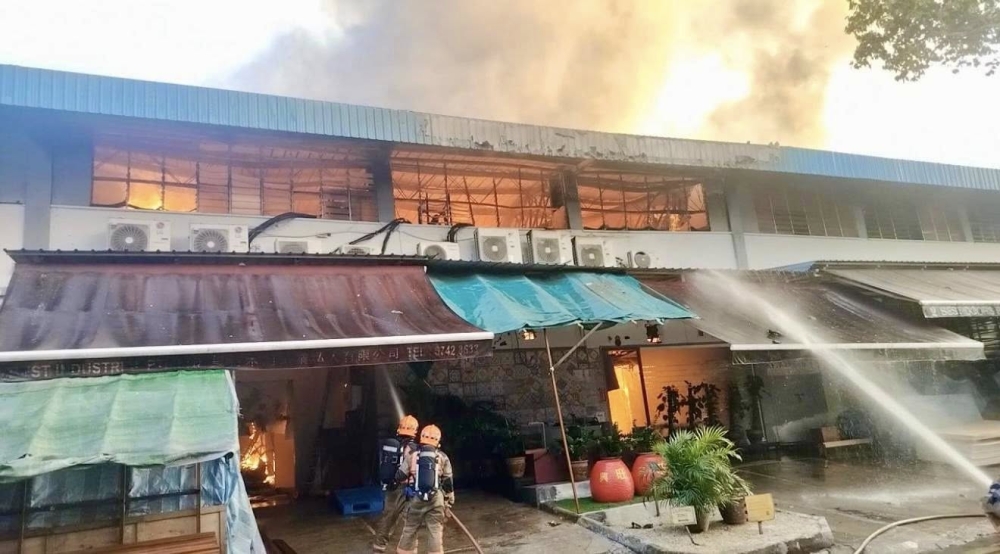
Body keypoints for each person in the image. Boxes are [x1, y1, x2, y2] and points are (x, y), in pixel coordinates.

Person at [396, 424, 454, 554]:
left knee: (410, 528)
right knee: (435, 530)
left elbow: (400, 475)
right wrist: (448, 503)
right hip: (436, 499)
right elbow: (448, 483)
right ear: (438, 440)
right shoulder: (443, 457)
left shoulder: (412, 455)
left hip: (415, 498)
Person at [372, 415, 420, 553]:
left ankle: (378, 548)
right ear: (415, 431)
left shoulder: (392, 445)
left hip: (392, 489)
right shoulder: (414, 449)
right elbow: (412, 470)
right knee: (411, 522)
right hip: (408, 489)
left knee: (388, 519)